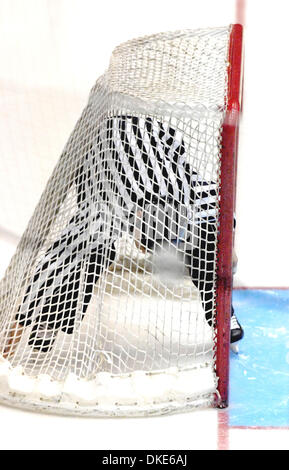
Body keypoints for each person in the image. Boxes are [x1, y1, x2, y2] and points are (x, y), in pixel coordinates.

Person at [9, 115, 244, 355]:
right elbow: (54, 264)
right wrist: (9, 341)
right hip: (103, 156)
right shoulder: (104, 209)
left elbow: (220, 209)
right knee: (87, 253)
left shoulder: (190, 195)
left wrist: (228, 253)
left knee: (205, 242)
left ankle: (222, 313)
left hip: (159, 142)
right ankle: (49, 317)